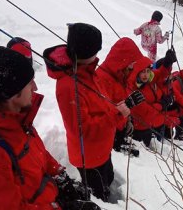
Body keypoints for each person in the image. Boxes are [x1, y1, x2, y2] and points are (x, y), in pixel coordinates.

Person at [0, 46, 65, 209]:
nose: (35, 88)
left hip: (47, 198)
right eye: (30, 83)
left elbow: (36, 152)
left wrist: (59, 174)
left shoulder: (17, 116)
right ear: (12, 94)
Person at [43, 23, 130, 202]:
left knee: (108, 178)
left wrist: (117, 110)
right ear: (87, 52)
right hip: (90, 158)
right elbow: (82, 129)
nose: (98, 54)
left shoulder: (88, 70)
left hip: (103, 148)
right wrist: (116, 114)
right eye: (96, 50)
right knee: (99, 195)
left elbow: (101, 102)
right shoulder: (69, 86)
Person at [96, 37, 146, 154]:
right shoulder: (102, 78)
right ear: (122, 62)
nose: (132, 68)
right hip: (109, 134)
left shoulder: (120, 76)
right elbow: (106, 112)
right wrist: (126, 106)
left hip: (119, 128)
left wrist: (128, 120)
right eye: (130, 65)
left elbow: (120, 100)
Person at [128, 49, 178, 147]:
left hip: (154, 123)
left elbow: (160, 74)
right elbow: (146, 111)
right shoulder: (134, 89)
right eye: (142, 72)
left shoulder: (149, 79)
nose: (146, 75)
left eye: (147, 71)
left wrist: (167, 63)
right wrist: (162, 104)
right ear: (137, 72)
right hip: (140, 129)